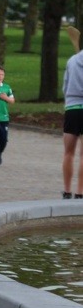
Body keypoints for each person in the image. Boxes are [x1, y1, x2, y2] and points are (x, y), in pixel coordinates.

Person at [62, 49, 83, 199]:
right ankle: (80, 192)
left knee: (68, 153)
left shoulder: (72, 60)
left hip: (72, 108)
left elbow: (65, 86)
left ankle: (67, 190)